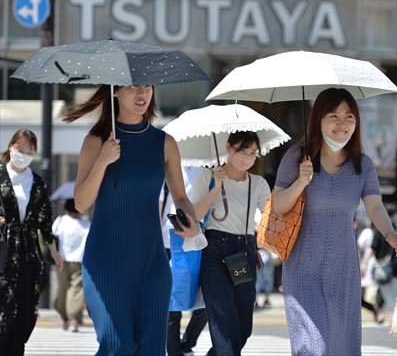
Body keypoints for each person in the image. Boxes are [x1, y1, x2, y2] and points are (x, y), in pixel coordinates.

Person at [64, 84, 199, 355]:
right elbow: (80, 202)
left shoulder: (164, 142)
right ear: (115, 91)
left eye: (147, 87)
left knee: (151, 349)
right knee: (118, 346)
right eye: (132, 88)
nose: (142, 94)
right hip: (106, 262)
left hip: (152, 264)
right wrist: (103, 161)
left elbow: (181, 198)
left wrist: (191, 223)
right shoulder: (96, 141)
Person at [272, 88, 397, 356]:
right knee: (313, 347)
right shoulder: (297, 158)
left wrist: (390, 233)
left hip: (343, 268)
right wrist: (301, 181)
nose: (342, 124)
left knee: (340, 346)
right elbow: (278, 205)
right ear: (318, 119)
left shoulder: (363, 165)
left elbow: (375, 205)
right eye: (333, 116)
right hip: (302, 267)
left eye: (349, 117)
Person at [196, 131, 271, 356]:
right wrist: (215, 188)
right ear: (228, 148)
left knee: (242, 328)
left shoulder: (258, 183)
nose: (247, 158)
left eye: (252, 153)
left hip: (243, 253)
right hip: (214, 253)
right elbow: (195, 214)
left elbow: (270, 216)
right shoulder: (208, 176)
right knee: (223, 324)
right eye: (242, 151)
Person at [0, 129, 64, 355]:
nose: (23, 155)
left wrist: (53, 250)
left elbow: (44, 219)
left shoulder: (37, 182)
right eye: (20, 149)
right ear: (11, 147)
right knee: (3, 303)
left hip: (27, 250)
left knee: (25, 307)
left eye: (29, 151)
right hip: (2, 248)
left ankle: (16, 349)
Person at [159, 165, 208, 356]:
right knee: (171, 302)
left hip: (198, 241)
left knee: (205, 298)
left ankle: (187, 343)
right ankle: (174, 350)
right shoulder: (166, 170)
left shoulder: (209, 170)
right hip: (166, 242)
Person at [52, 198, 91, 332]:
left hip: (61, 260)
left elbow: (52, 237)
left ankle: (69, 318)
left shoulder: (60, 221)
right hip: (79, 261)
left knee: (63, 289)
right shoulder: (86, 223)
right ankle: (72, 318)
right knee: (75, 290)